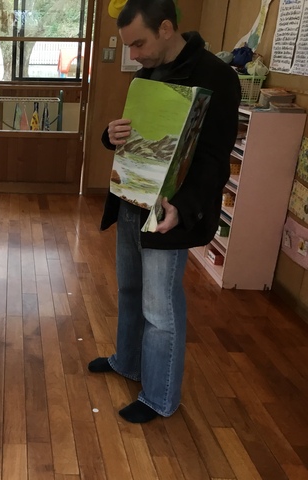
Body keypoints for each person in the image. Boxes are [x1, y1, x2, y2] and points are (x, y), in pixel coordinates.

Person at [88, 0, 241, 423]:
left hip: (169, 211)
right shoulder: (147, 74)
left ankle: (159, 397)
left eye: (139, 43)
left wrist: (184, 210)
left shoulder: (217, 76)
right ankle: (127, 362)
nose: (133, 54)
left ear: (167, 29)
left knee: (160, 309)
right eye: (129, 46)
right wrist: (110, 135)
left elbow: (215, 160)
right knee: (129, 291)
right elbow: (135, 137)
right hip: (131, 200)